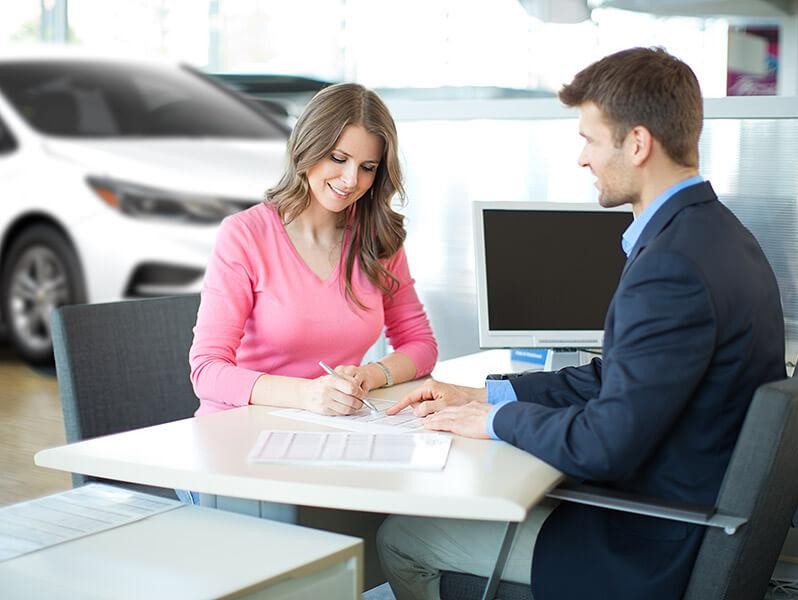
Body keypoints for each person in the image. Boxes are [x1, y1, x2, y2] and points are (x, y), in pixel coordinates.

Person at [377, 47, 786, 600]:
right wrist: (483, 393)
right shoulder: (723, 237)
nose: (582, 159)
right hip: (685, 511)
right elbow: (612, 380)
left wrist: (496, 421)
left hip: (649, 545)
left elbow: (604, 446)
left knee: (404, 537)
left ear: (637, 143)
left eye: (590, 139)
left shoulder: (672, 268)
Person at [188, 83, 438, 419]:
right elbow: (207, 372)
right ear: (306, 147)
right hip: (240, 427)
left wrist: (369, 375)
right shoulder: (245, 235)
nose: (351, 180)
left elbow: (421, 345)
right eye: (338, 158)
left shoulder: (377, 238)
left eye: (368, 167)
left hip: (333, 426)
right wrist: (307, 394)